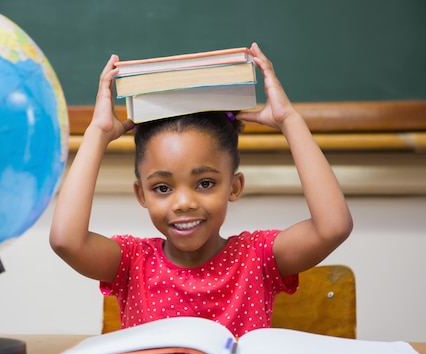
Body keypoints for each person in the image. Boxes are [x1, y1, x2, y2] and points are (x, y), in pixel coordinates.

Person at [49, 43, 352, 337]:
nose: (183, 202)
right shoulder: (131, 263)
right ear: (142, 195)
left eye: (205, 183)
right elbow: (66, 241)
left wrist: (290, 121)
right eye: (162, 187)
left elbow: (333, 227)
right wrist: (97, 133)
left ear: (234, 187)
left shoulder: (257, 258)